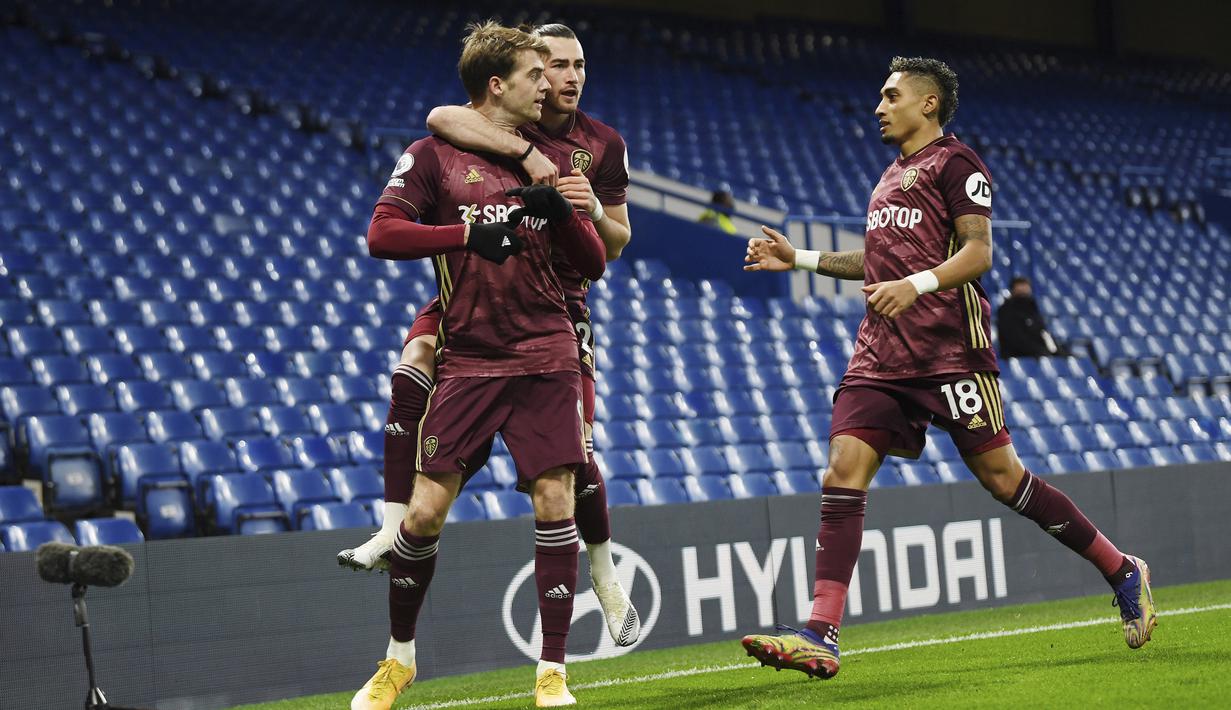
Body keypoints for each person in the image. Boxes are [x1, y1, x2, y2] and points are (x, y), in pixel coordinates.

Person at [740, 56, 1155, 681]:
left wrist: (916, 283)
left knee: (1003, 478)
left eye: (890, 95)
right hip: (881, 355)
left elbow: (978, 252)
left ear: (927, 103)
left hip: (949, 351)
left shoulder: (956, 163)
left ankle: (1120, 567)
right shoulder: (890, 177)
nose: (878, 105)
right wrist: (797, 258)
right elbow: (877, 262)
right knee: (843, 469)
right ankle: (821, 632)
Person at [339, 22, 641, 652]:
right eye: (553, 65)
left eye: (577, 64)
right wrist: (530, 159)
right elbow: (445, 114)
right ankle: (392, 527)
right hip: (476, 288)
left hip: (557, 301)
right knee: (413, 362)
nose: (567, 77)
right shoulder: (511, 127)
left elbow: (615, 244)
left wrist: (582, 210)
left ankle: (606, 574)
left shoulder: (603, 144)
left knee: (576, 456)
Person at [997, 275, 1060, 358]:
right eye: (1020, 288)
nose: (1024, 290)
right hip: (1017, 357)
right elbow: (1015, 340)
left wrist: (1056, 351)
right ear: (1013, 290)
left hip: (1039, 353)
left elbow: (1043, 333)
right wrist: (1043, 351)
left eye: (1026, 287)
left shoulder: (1033, 309)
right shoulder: (1006, 310)